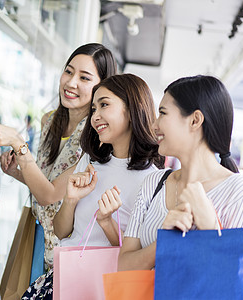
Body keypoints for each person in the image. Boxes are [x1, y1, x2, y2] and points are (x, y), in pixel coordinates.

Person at [21, 73, 164, 299]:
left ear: (132, 109)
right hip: (64, 282)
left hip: (104, 291)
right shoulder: (90, 162)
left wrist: (107, 223)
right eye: (94, 109)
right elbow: (61, 231)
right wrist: (71, 199)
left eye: (104, 105)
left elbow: (138, 259)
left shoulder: (153, 181)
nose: (95, 116)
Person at [0, 43, 117, 270]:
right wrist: (17, 171)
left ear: (101, 87)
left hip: (66, 252)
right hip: (36, 237)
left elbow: (51, 195)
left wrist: (19, 144)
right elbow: (46, 182)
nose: (71, 83)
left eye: (84, 78)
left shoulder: (97, 136)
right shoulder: (49, 120)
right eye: (69, 71)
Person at [118, 75, 243, 271]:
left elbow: (233, 282)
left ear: (195, 120)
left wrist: (209, 225)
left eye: (162, 113)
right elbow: (124, 267)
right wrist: (164, 240)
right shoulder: (154, 183)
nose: (154, 125)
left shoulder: (238, 192)